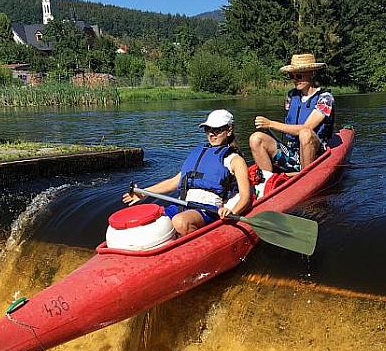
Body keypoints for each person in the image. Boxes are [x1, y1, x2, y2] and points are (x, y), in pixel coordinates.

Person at [122, 109, 251, 236]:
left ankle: (198, 243)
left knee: (180, 222)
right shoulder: (199, 152)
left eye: (216, 130)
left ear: (229, 130)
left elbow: (245, 197)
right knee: (150, 223)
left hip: (209, 209)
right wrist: (144, 193)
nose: (211, 134)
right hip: (183, 204)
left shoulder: (235, 160)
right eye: (208, 130)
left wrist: (231, 212)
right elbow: (175, 181)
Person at [249, 53, 335, 179]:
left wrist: (270, 124)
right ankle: (268, 182)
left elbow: (306, 128)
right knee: (255, 138)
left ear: (311, 74)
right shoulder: (291, 96)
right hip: (292, 152)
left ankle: (305, 179)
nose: (295, 79)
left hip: (316, 153)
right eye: (292, 76)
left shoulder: (325, 98)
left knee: (305, 133)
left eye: (299, 75)